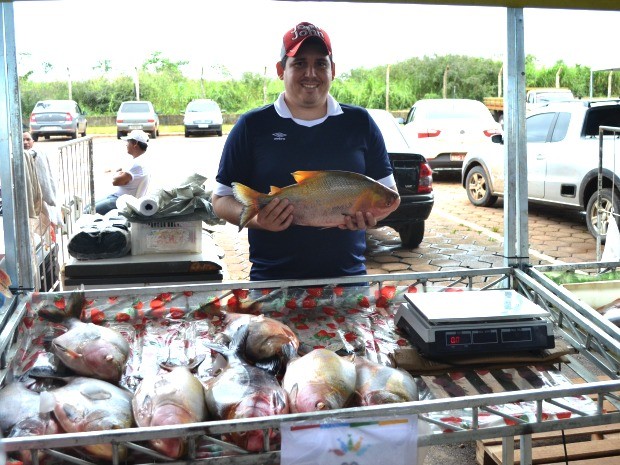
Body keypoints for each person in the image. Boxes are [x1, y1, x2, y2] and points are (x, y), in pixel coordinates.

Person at [212, 21, 400, 281]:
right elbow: (221, 200)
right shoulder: (252, 126)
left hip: (348, 280)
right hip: (272, 280)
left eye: (320, 63)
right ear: (281, 70)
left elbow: (389, 196)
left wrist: (371, 218)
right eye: (299, 63)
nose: (311, 73)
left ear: (332, 70)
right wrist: (258, 220)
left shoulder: (359, 123)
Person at [94, 129, 150, 215]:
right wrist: (120, 173)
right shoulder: (140, 161)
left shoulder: (137, 164)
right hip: (118, 198)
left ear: (135, 144)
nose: (126, 145)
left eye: (128, 142)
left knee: (88, 211)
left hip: (121, 201)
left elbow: (115, 181)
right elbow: (121, 174)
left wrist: (117, 174)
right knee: (89, 206)